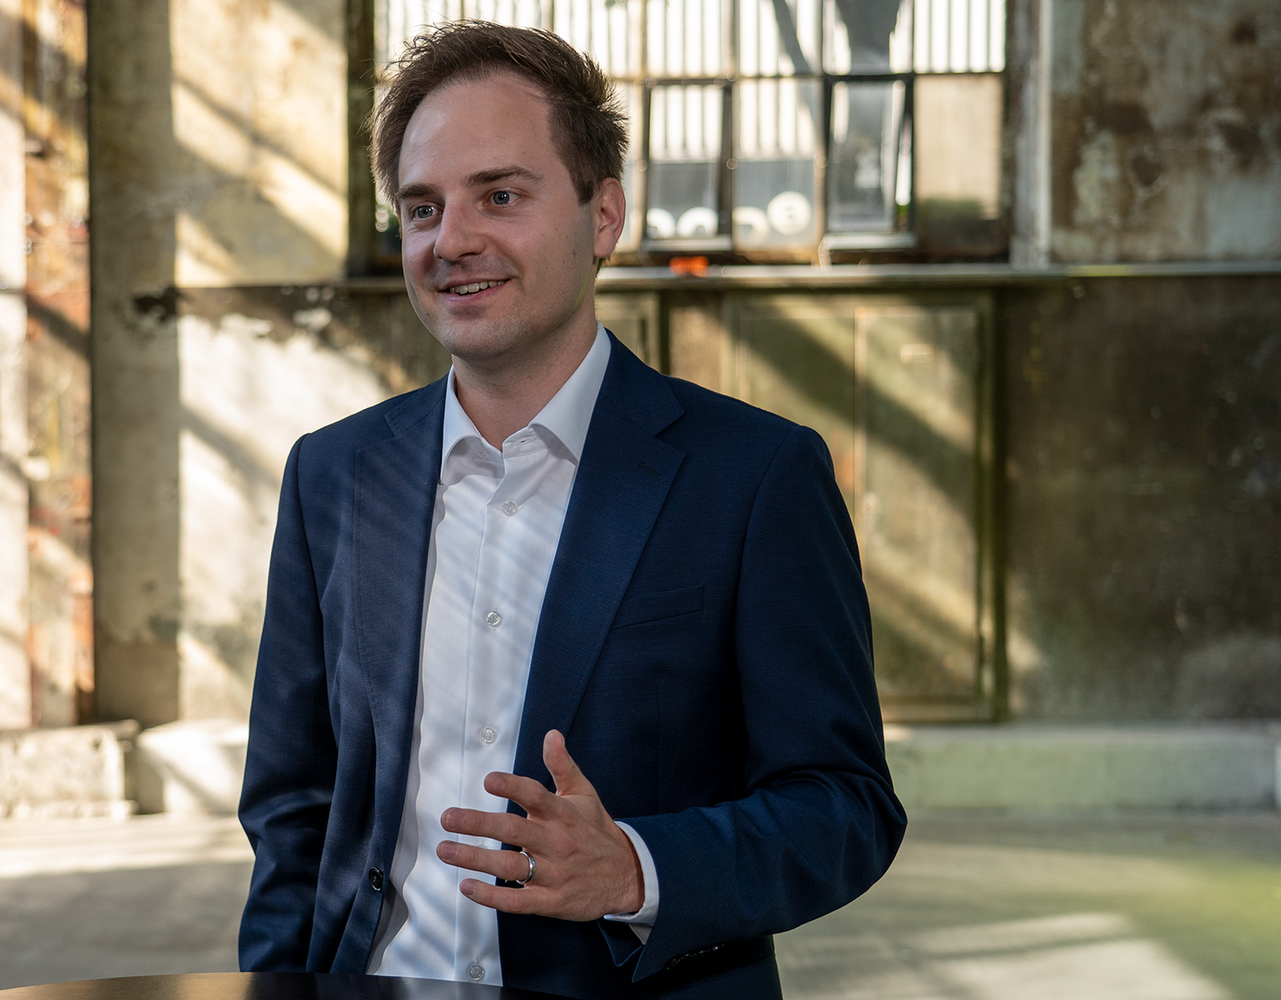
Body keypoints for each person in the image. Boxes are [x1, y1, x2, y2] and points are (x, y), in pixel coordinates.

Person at [236, 21, 904, 1000]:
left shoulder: (754, 476)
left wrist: (635, 868)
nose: (451, 241)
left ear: (603, 215)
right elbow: (292, 809)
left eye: (499, 196)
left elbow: (844, 807)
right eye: (421, 208)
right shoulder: (332, 475)